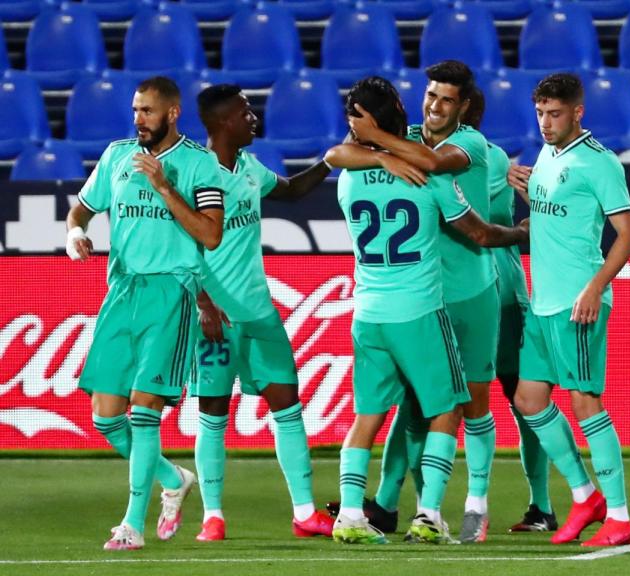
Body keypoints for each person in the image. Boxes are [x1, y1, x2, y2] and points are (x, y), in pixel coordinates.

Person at [330, 76, 528, 545]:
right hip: (422, 306)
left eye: (445, 99)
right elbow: (477, 232)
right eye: (427, 97)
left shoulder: (354, 175)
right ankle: (427, 512)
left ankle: (362, 515)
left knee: (379, 415)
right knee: (443, 410)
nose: (434, 106)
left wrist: (373, 146)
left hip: (384, 309)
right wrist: (521, 234)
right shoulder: (421, 169)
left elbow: (334, 154)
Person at [65, 76, 225, 550]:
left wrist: (162, 186)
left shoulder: (199, 164)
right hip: (121, 291)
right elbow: (81, 211)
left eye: (147, 111)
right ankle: (173, 478)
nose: (138, 119)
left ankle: (131, 524)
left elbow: (211, 235)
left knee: (143, 410)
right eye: (135, 110)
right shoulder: (116, 156)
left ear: (172, 113)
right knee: (105, 415)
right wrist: (74, 234)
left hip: (172, 292)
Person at [189, 84, 336, 542]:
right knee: (213, 412)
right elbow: (178, 242)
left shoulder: (250, 167)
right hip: (217, 315)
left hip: (259, 313)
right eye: (245, 111)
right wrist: (202, 300)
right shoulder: (193, 172)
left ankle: (305, 512)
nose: (254, 118)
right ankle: (212, 515)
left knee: (287, 405)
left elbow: (290, 191)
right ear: (222, 122)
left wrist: (331, 160)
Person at [505, 73, 630, 547]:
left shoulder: (599, 163)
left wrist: (594, 288)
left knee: (585, 404)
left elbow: (628, 234)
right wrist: (526, 190)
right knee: (529, 400)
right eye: (540, 112)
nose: (545, 122)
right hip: (543, 303)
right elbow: (556, 213)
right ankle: (586, 496)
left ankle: (620, 517)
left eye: (554, 113)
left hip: (577, 302)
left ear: (577, 112)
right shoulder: (546, 154)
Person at [462, 87, 558, 534]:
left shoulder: (474, 161)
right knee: (519, 404)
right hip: (487, 294)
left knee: (520, 403)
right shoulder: (494, 159)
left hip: (492, 296)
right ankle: (542, 505)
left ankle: (540, 503)